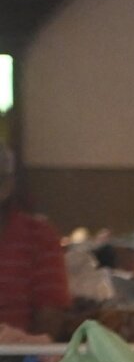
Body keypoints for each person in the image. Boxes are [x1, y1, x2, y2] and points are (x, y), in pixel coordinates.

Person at [0, 144, 72, 336]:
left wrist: (20, 347)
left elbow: (50, 318)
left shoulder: (38, 236)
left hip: (19, 351)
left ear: (6, 186)